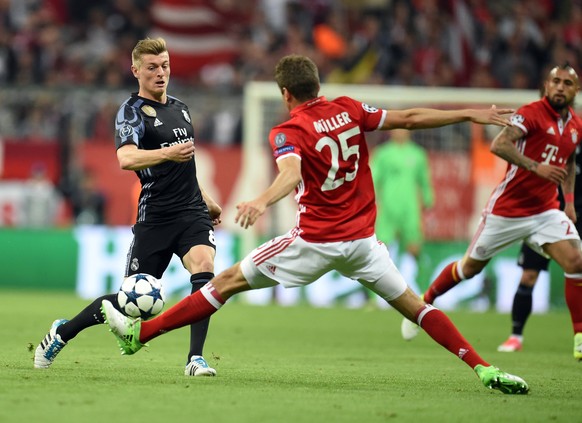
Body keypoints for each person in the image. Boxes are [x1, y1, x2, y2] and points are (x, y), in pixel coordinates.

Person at [102, 54, 528, 394]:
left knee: (224, 282)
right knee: (417, 307)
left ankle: (141, 335)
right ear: (318, 85)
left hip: (314, 242)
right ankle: (484, 368)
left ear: (285, 93)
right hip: (363, 244)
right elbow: (410, 119)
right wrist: (471, 114)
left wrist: (261, 200)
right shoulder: (350, 110)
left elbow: (289, 175)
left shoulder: (289, 131)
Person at [34, 37, 222, 377]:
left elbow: (186, 165)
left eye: (164, 65)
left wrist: (206, 201)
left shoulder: (181, 108)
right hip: (156, 216)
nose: (160, 73)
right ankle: (63, 332)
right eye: (152, 68)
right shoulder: (132, 112)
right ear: (136, 71)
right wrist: (167, 152)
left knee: (204, 270)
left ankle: (195, 358)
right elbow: (126, 158)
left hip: (192, 211)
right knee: (131, 303)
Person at [401, 64, 582, 361]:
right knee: (469, 268)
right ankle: (423, 302)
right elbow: (500, 144)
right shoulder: (531, 113)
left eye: (567, 83)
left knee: (576, 260)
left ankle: (579, 335)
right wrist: (536, 167)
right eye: (555, 82)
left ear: (575, 90)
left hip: (546, 210)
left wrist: (570, 202)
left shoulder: (575, 125)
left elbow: (570, 160)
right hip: (507, 210)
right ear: (546, 86)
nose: (561, 87)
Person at [498, 144, 582, 352]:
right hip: (545, 215)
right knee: (528, 276)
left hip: (577, 216)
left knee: (577, 272)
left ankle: (579, 336)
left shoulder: (574, 135)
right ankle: (515, 336)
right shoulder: (549, 138)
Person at [370, 128, 434, 294]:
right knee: (380, 252)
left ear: (409, 131)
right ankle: (374, 297)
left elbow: (424, 181)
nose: (399, 132)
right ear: (390, 132)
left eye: (403, 129)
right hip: (388, 210)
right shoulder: (383, 153)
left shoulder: (418, 154)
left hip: (410, 210)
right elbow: (373, 180)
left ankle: (425, 292)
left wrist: (427, 200)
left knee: (415, 250)